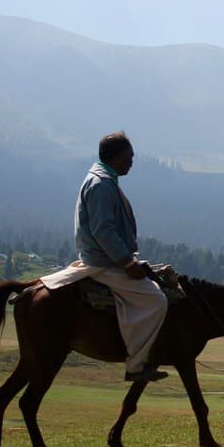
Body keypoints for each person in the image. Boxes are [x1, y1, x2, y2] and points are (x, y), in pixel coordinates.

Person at [72, 131, 168, 382]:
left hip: (103, 258)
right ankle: (136, 365)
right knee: (156, 300)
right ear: (116, 156)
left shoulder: (104, 179)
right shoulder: (102, 185)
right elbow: (103, 230)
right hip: (104, 263)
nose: (132, 161)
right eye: (129, 156)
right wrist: (126, 261)